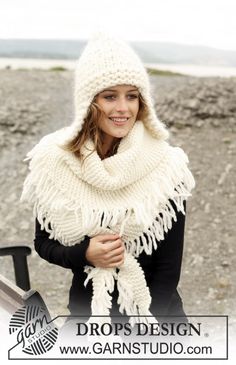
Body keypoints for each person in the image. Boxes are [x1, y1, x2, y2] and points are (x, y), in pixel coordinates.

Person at [21, 33, 195, 327]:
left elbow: (168, 269)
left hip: (156, 318)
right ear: (89, 102)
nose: (123, 109)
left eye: (132, 96)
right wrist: (84, 253)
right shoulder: (55, 161)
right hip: (87, 313)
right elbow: (44, 243)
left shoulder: (166, 166)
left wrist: (141, 331)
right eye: (110, 96)